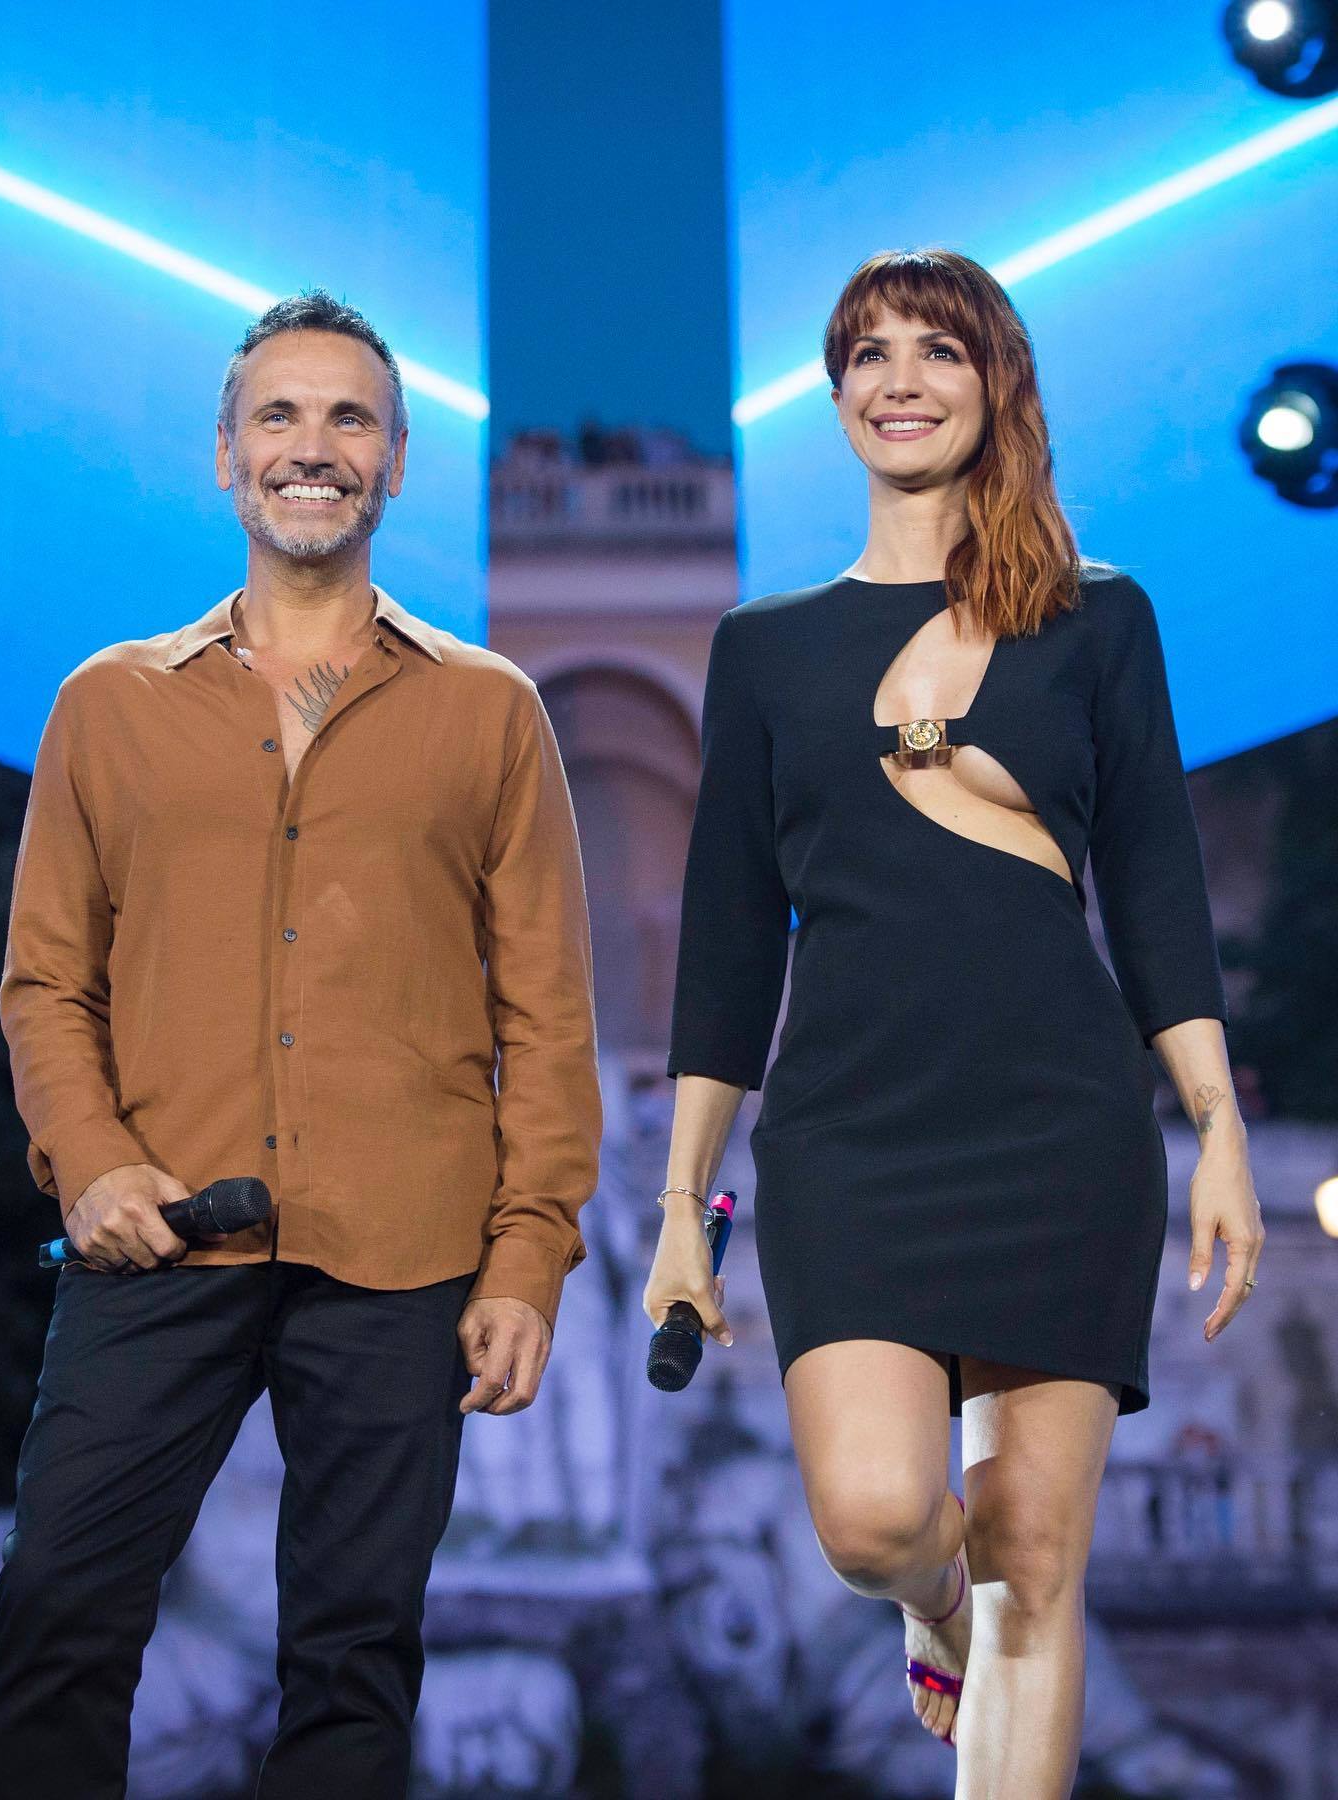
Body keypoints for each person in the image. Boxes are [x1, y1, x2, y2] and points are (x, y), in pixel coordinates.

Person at [645, 249, 1263, 1798]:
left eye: (938, 349)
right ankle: (934, 1604)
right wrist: (680, 1208)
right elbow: (728, 945)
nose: (900, 379)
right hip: (850, 1136)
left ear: (997, 384)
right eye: (868, 352)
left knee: (1037, 1563)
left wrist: (1219, 1129)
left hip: (1063, 1130)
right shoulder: (765, 648)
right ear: (835, 393)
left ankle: (983, 1629)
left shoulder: (1100, 621)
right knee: (874, 1521)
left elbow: (1158, 888)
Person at [0, 290, 602, 1799]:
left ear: (395, 462)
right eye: (279, 415)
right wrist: (91, 1164)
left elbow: (546, 1012)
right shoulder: (107, 705)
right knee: (58, 1617)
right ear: (226, 455)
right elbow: (45, 980)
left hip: (405, 1251)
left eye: (348, 420)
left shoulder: (492, 713)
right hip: (158, 1233)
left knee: (354, 1659)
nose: (312, 447)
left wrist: (528, 1256)